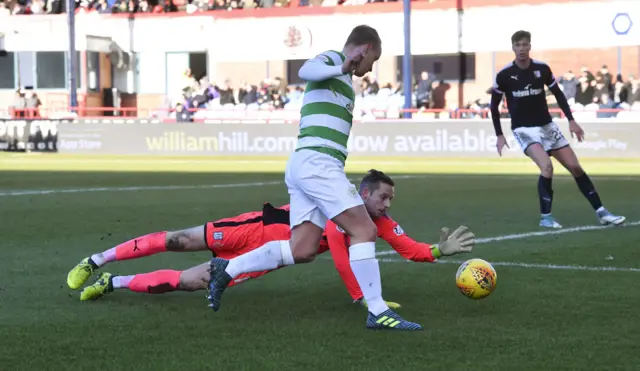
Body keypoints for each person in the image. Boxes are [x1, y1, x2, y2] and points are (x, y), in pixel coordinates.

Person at [205, 25, 475, 331]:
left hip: (306, 163)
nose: (371, 68)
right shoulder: (334, 60)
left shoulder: (343, 77)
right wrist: (342, 65)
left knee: (302, 249)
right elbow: (306, 70)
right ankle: (378, 310)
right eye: (374, 60)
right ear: (366, 49)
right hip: (318, 163)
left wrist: (343, 71)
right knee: (364, 229)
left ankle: (228, 268)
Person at [70, 171, 474, 311]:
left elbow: (413, 250)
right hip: (257, 228)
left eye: (391, 199)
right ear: (364, 193)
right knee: (178, 240)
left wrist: (440, 251)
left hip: (268, 257)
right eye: (383, 196)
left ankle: (113, 283)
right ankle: (97, 259)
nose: (388, 205)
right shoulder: (343, 206)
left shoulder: (379, 223)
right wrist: (363, 298)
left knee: (187, 281)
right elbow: (337, 253)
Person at [490, 30, 625, 229]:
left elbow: (559, 94)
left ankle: (602, 212)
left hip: (547, 126)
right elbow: (493, 106)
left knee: (576, 167)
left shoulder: (542, 69)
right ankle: (546, 217)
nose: (521, 49)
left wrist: (571, 120)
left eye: (524, 44)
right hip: (524, 129)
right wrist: (499, 134)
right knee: (547, 167)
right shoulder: (504, 75)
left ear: (529, 46)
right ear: (513, 48)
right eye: (517, 45)